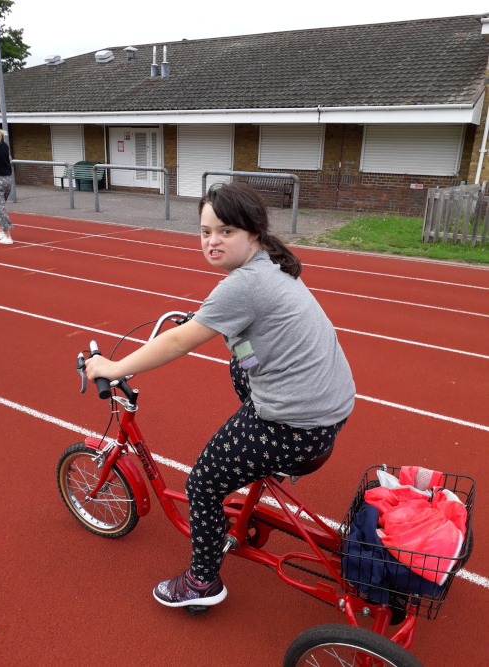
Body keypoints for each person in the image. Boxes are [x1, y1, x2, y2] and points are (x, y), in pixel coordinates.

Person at [85, 182, 355, 608]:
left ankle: (202, 583)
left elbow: (177, 342)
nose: (212, 241)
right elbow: (241, 324)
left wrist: (113, 368)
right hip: (329, 408)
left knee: (202, 484)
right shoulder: (272, 265)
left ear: (253, 233)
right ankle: (257, 455)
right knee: (237, 362)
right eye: (205, 231)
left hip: (297, 424)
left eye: (226, 231)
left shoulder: (242, 286)